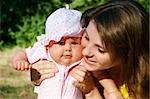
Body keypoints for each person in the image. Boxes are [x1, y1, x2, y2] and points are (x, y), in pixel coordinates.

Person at [25, 0, 149, 99]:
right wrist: (40, 76)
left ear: (127, 53)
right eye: (86, 37)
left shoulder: (138, 89)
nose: (85, 52)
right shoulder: (91, 64)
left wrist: (91, 92)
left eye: (100, 50)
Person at [13, 8, 84, 99]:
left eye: (74, 43)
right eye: (61, 43)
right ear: (48, 44)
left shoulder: (84, 61)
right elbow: (24, 53)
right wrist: (20, 60)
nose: (68, 48)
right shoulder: (43, 52)